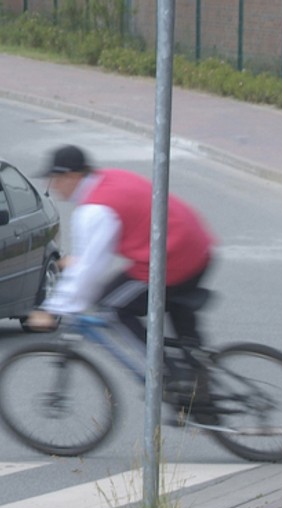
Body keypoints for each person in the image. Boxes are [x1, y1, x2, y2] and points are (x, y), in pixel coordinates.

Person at [25, 145, 216, 390]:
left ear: (71, 176)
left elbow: (90, 269)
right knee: (178, 323)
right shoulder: (107, 178)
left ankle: (164, 373)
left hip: (172, 259)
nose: (52, 187)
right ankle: (199, 382)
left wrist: (53, 309)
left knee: (111, 306)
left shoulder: (95, 209)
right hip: (197, 246)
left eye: (55, 180)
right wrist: (81, 261)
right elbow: (94, 252)